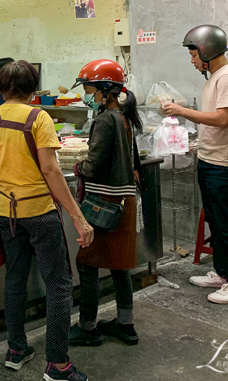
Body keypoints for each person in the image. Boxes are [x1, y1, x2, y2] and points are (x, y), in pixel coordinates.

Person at [0, 60, 93, 380]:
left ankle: (16, 348)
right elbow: (51, 170)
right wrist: (78, 217)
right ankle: (57, 364)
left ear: (1, 88)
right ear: (32, 90)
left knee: (14, 278)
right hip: (39, 212)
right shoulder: (38, 117)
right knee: (59, 285)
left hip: (3, 211)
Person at [162, 25, 228, 304]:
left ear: (206, 52)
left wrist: (181, 111)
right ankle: (223, 274)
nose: (192, 61)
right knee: (217, 222)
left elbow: (223, 118)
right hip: (212, 161)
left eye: (193, 55)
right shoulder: (215, 77)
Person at [68, 60, 144, 349]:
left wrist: (77, 166)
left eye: (87, 88)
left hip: (104, 204)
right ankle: (126, 324)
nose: (85, 93)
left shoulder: (103, 120)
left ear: (103, 89)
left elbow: (95, 163)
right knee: (120, 266)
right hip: (124, 202)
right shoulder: (122, 117)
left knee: (86, 264)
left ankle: (88, 328)